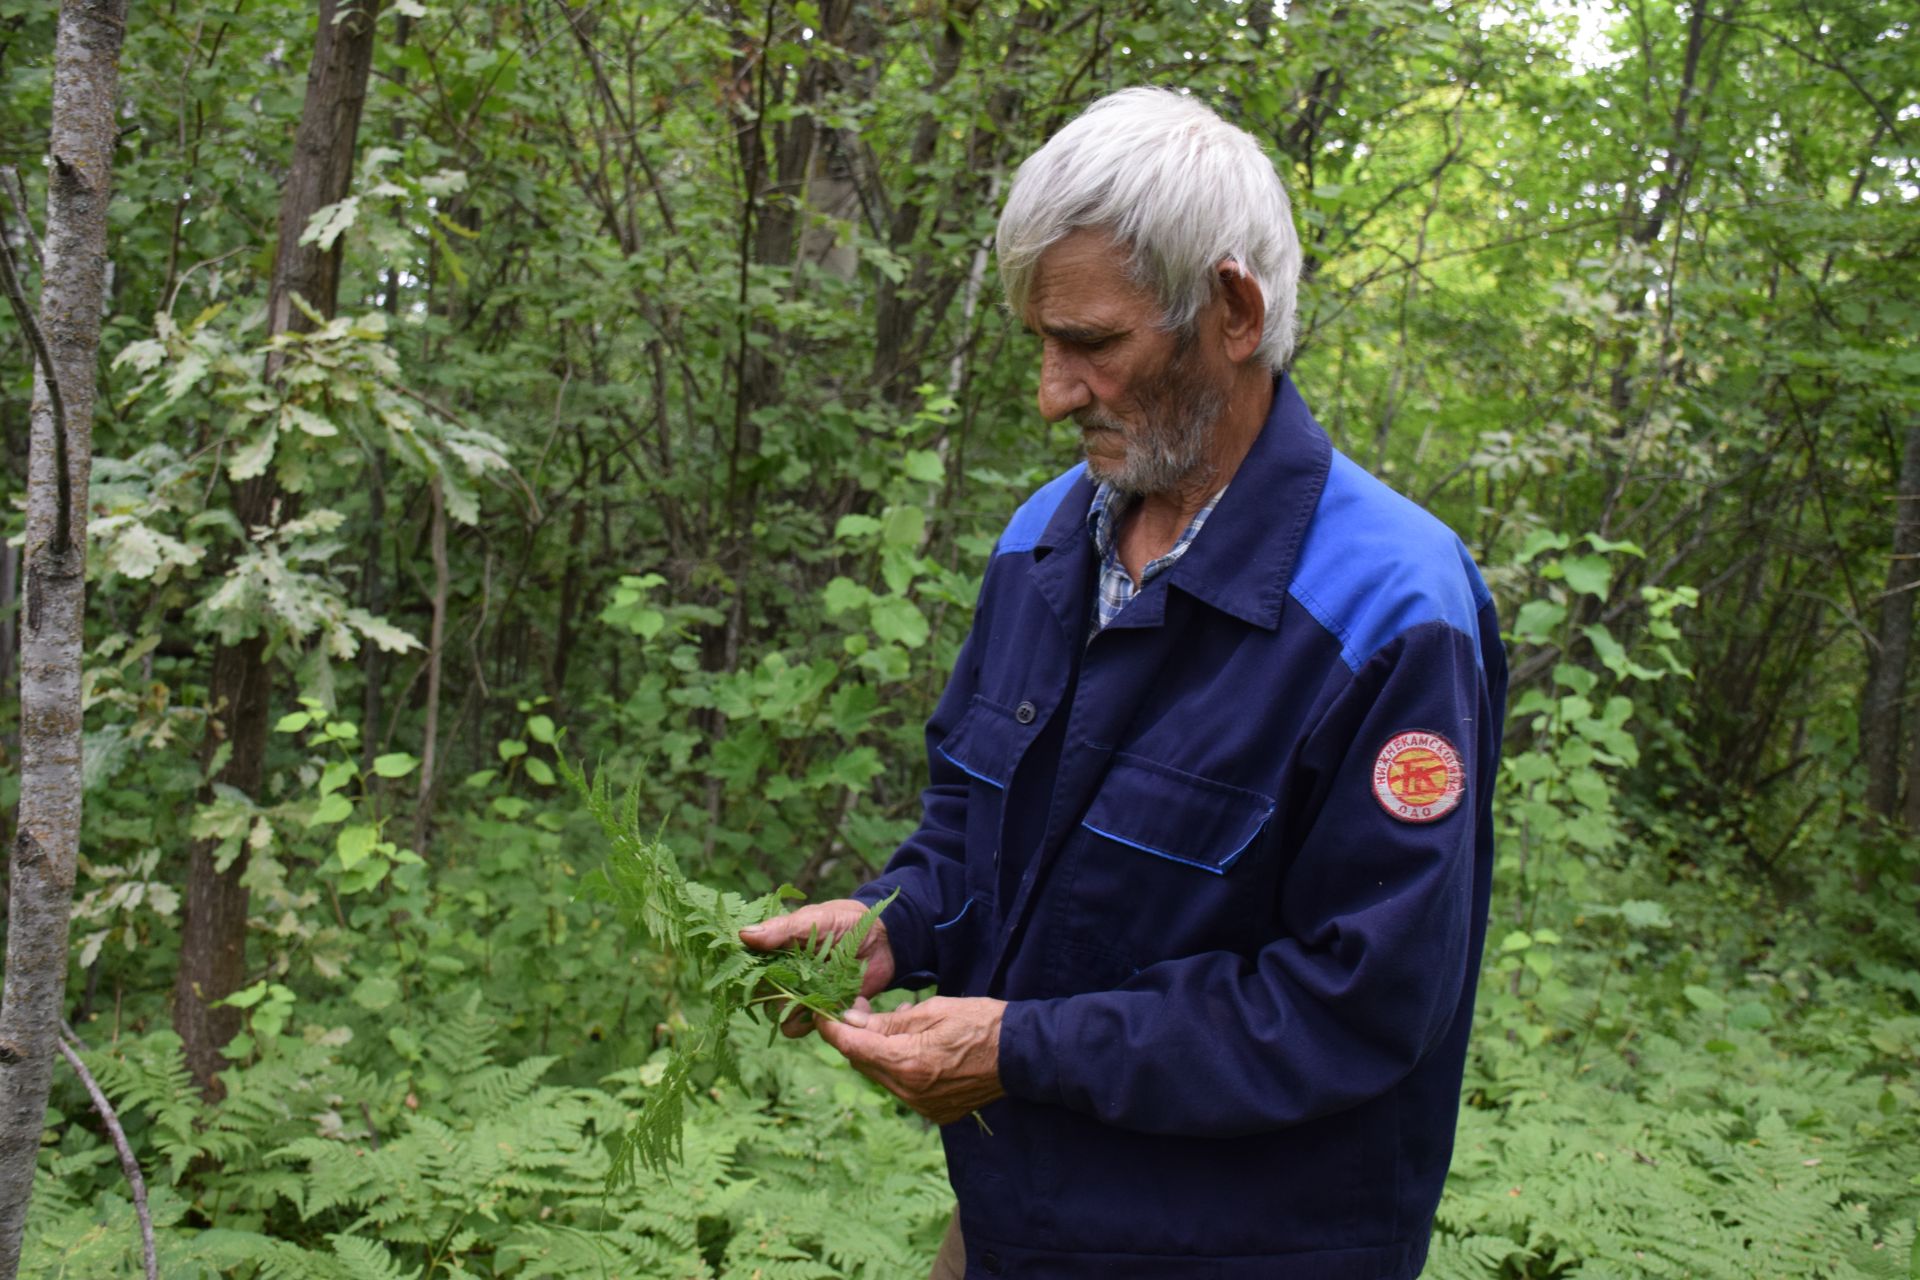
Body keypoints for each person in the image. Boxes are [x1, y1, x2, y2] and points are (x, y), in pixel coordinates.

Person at [741, 86, 1507, 1279]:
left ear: (1234, 311)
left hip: (1251, 1243)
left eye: (1092, 345)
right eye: (1042, 344)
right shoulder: (1044, 544)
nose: (1052, 392)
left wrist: (1025, 1051)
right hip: (1022, 1216)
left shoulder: (1393, 609)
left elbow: (1359, 1002)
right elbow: (973, 827)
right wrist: (893, 928)